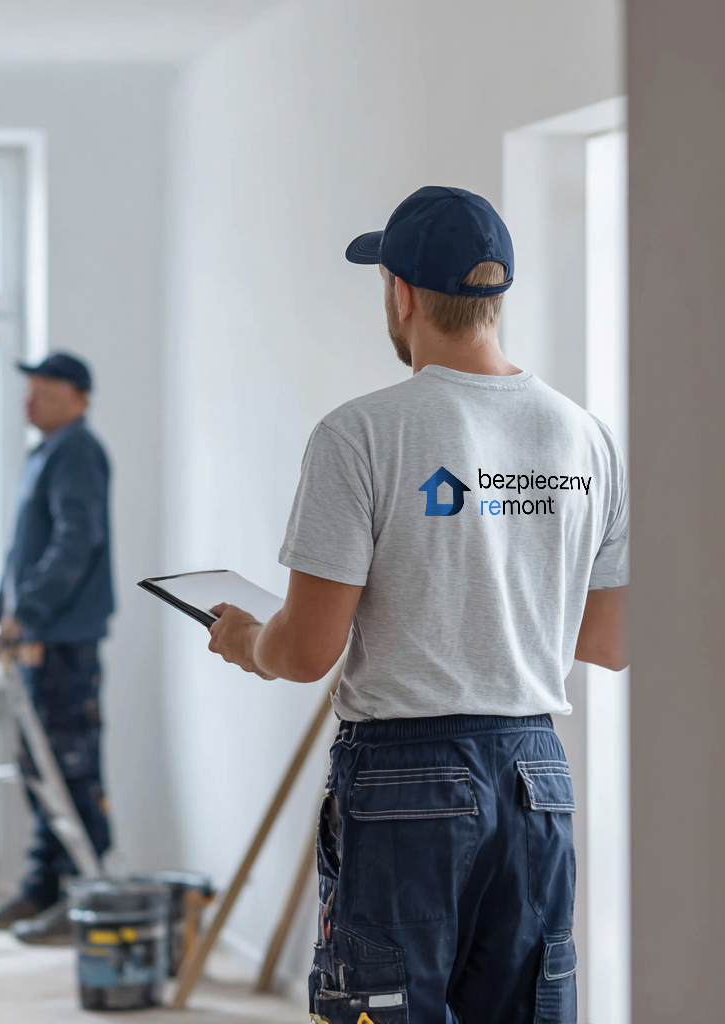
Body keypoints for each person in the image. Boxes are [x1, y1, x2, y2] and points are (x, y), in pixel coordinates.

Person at [207, 187, 628, 1024]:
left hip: (406, 778)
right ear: (496, 296)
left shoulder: (361, 433)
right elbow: (610, 641)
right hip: (537, 777)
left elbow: (306, 652)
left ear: (401, 294)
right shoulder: (585, 436)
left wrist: (247, 638)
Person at [0, 351, 114, 945]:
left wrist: (26, 610)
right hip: (37, 639)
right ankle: (43, 887)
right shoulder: (46, 454)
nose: (29, 399)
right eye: (28, 389)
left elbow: (75, 541)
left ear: (78, 398)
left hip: (62, 643)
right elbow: (23, 551)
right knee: (40, 768)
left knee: (69, 770)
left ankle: (86, 896)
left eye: (43, 390)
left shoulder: (76, 450)